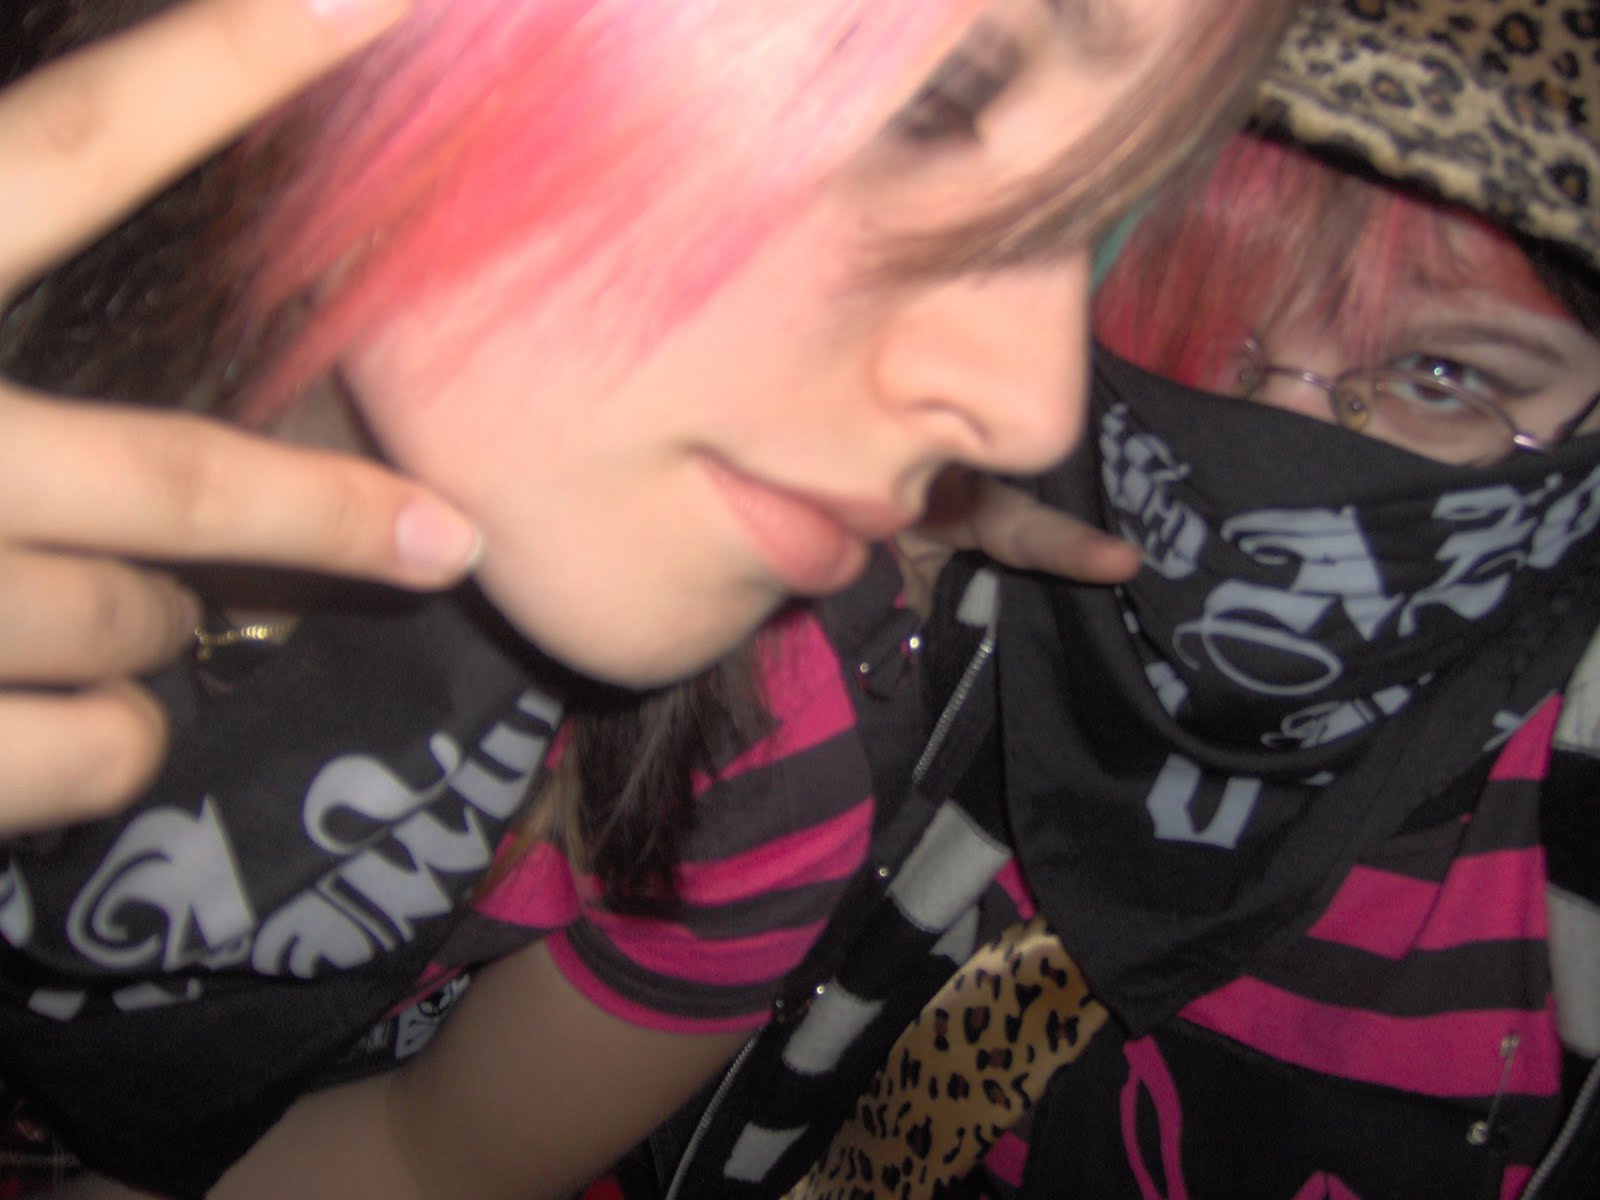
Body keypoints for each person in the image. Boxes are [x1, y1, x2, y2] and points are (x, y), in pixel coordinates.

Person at [0, 0, 1294, 1197]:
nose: (1031, 408)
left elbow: (424, 1157)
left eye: (1088, 214)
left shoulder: (763, 756)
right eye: (934, 97)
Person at [629, 1, 1600, 1197]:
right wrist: (843, 614)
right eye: (1207, 324)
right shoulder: (962, 540)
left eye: (1440, 376)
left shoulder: (1554, 836)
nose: (1271, 446)